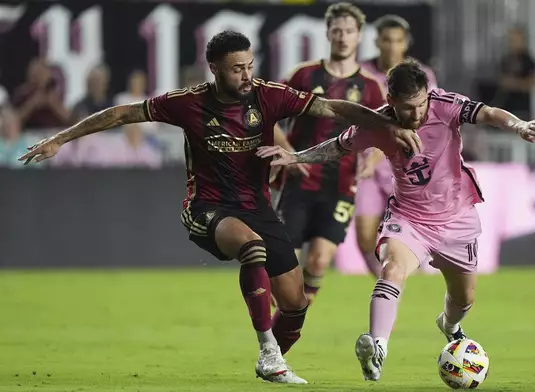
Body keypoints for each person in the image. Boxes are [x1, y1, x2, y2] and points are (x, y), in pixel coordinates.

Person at [19, 31, 420, 384]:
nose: (246, 76)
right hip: (206, 207)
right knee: (252, 248)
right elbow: (122, 113)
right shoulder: (187, 103)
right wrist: (60, 138)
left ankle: (272, 361)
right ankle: (268, 352)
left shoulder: (268, 95)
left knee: (296, 305)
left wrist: (388, 124)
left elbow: (333, 108)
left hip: (258, 209)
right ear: (213, 69)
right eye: (236, 69)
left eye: (249, 66)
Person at [255, 60, 535, 381]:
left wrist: (518, 126)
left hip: (456, 218)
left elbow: (488, 113)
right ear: (391, 101)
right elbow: (336, 148)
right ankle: (377, 347)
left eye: (421, 105)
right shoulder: (378, 124)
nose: (416, 114)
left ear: (428, 96)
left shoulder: (445, 106)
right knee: (391, 269)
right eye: (407, 108)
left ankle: (449, 325)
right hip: (409, 219)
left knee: (464, 298)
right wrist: (295, 156)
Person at [275, 2, 386, 301]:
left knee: (320, 260)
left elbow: (384, 134)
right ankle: (283, 315)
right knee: (285, 261)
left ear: (359, 35)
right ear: (327, 33)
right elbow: (266, 115)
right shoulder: (302, 76)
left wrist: (372, 160)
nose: (342, 37)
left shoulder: (371, 88)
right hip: (300, 178)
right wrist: (288, 154)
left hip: (341, 184)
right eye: (336, 30)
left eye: (349, 31)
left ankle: (293, 319)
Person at [356, 14, 438, 276]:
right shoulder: (360, 73)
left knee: (410, 230)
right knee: (365, 238)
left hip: (407, 165)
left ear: (406, 43)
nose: (392, 46)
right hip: (367, 167)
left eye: (398, 40)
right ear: (377, 41)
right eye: (387, 40)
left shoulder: (421, 75)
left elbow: (425, 120)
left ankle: (399, 277)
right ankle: (386, 284)